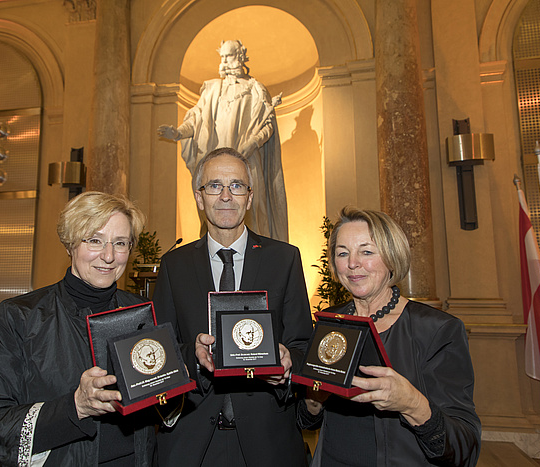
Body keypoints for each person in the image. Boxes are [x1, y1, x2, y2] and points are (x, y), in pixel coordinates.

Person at [0, 191, 156, 466]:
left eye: (120, 243)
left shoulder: (141, 312)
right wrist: (74, 408)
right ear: (70, 244)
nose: (109, 256)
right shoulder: (19, 317)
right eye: (95, 240)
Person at [153, 147, 311, 466]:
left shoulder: (284, 259)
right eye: (214, 185)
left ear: (249, 198)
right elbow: (161, 348)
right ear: (200, 197)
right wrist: (192, 356)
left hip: (268, 442)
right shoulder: (173, 265)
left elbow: (302, 343)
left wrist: (287, 362)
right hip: (193, 441)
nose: (226, 195)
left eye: (237, 185)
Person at [298, 207, 481, 466]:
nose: (352, 263)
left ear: (392, 257)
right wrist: (312, 400)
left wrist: (412, 404)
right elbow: (307, 419)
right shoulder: (328, 323)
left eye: (367, 251)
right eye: (342, 253)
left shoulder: (437, 329)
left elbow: (465, 447)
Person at [157, 39, 288, 242]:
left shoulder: (256, 89)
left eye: (230, 56)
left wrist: (252, 143)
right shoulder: (211, 90)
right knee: (212, 210)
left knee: (253, 209)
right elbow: (196, 120)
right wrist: (178, 133)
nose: (226, 61)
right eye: (223, 57)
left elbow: (267, 126)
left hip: (249, 160)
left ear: (241, 56)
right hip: (215, 167)